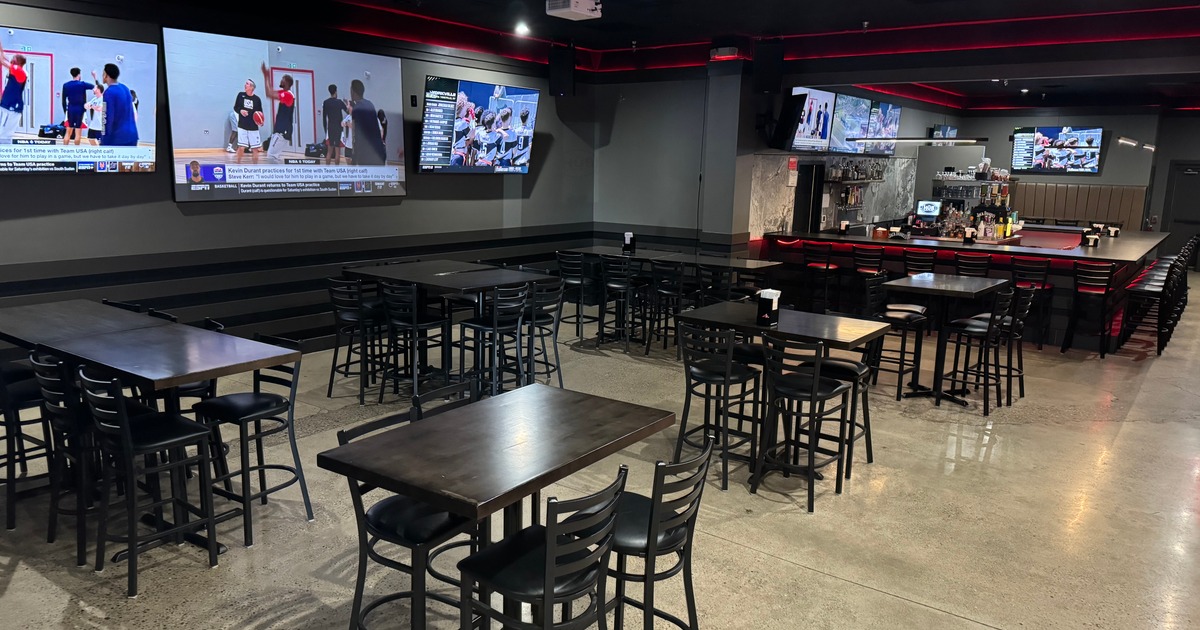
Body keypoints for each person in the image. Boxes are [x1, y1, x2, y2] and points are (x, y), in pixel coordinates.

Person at [94, 64, 137, 146]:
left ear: (106, 75)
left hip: (117, 138)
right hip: (132, 135)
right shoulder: (125, 88)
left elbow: (106, 117)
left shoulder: (109, 92)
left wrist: (104, 140)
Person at [260, 62, 294, 162]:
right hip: (279, 131)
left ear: (286, 82)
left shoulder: (288, 95)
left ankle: (278, 172)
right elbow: (269, 93)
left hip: (282, 131)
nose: (280, 81)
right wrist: (266, 76)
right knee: (273, 156)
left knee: (271, 156)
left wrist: (266, 76)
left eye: (282, 79)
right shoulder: (284, 93)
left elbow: (270, 94)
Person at [348, 79, 385, 166]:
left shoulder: (357, 108)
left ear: (353, 91)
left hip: (366, 153)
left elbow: (355, 134)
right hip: (378, 151)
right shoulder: (370, 104)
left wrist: (354, 156)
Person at [0, 39, 27, 145]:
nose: (11, 59)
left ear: (17, 61)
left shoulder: (19, 70)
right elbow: (3, 57)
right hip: (8, 105)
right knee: (4, 132)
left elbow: (2, 61)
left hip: (11, 107)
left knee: (4, 134)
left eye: (14, 58)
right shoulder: (16, 69)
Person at [232, 77, 264, 164]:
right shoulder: (240, 95)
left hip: (253, 127)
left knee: (255, 149)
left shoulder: (257, 99)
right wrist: (241, 111)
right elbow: (235, 107)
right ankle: (238, 165)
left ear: (252, 87)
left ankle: (255, 167)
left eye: (247, 84)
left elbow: (260, 112)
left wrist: (261, 121)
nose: (245, 85)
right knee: (241, 147)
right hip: (242, 126)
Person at [61, 67, 93, 145]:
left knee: (68, 132)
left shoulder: (66, 85)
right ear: (79, 75)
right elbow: (94, 87)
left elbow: (63, 100)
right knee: (78, 132)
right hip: (80, 109)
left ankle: (64, 149)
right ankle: (76, 149)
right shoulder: (82, 84)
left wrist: (65, 111)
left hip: (71, 108)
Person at [321, 84, 347, 165]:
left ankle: (327, 170)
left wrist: (325, 130)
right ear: (336, 91)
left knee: (329, 151)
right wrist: (346, 103)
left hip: (330, 128)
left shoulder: (326, 102)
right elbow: (348, 112)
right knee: (337, 152)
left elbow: (324, 118)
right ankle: (336, 170)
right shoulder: (339, 102)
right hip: (338, 128)